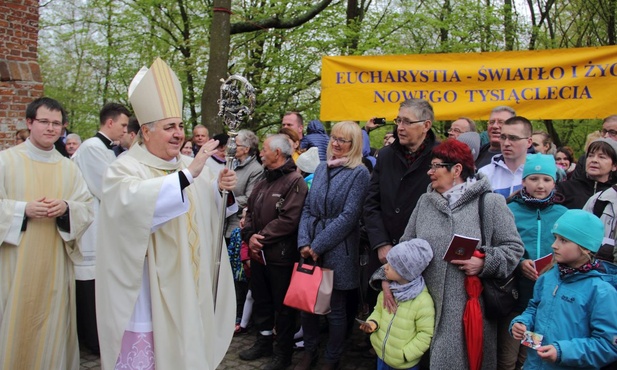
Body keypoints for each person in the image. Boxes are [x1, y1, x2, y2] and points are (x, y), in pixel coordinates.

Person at [96, 58, 238, 370]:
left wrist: (219, 191)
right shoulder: (124, 168)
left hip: (189, 284)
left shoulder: (186, 167)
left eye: (181, 126)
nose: (178, 134)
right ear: (145, 132)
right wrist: (190, 177)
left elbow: (206, 213)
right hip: (147, 288)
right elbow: (131, 208)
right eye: (169, 127)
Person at [396, 139, 524, 369]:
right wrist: (389, 277)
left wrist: (483, 262)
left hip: (470, 311)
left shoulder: (490, 202)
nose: (430, 172)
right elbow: (406, 244)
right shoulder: (425, 202)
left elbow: (513, 249)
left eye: (436, 166)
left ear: (456, 169)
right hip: (423, 308)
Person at [0, 97, 94, 369]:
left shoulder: (68, 167)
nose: (51, 129)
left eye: (56, 124)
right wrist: (21, 209)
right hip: (14, 264)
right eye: (44, 122)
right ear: (29, 123)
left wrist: (66, 207)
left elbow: (86, 208)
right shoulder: (6, 161)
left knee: (52, 323)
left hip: (54, 263)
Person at [295, 121, 370, 370]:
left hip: (338, 250)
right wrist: (304, 242)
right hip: (312, 247)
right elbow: (307, 208)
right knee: (309, 307)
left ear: (354, 145)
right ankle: (310, 352)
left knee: (335, 309)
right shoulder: (321, 167)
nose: (335, 144)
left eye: (342, 140)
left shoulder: (359, 173)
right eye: (334, 138)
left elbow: (349, 217)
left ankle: (332, 357)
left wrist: (318, 245)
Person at [510, 210, 617, 369]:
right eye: (555, 238)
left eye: (564, 240)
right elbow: (534, 307)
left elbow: (607, 344)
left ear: (585, 247)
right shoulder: (548, 277)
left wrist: (562, 351)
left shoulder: (601, 291)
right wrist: (521, 323)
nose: (554, 245)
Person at [239, 134, 308, 370]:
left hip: (280, 257)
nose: (260, 153)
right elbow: (249, 212)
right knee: (262, 302)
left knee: (283, 308)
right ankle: (264, 342)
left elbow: (289, 219)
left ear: (277, 153)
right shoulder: (263, 181)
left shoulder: (294, 182)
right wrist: (250, 236)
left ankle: (283, 353)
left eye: (265, 149)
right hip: (260, 255)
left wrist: (262, 238)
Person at [72, 102, 131, 355]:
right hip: (92, 224)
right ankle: (93, 340)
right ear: (110, 123)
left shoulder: (105, 148)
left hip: (102, 220)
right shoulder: (92, 148)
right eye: (123, 125)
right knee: (89, 284)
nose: (125, 130)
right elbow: (106, 187)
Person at [500, 154, 568, 369]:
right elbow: (499, 244)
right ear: (524, 182)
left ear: (554, 183)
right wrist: (520, 262)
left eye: (547, 179)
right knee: (507, 357)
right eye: (534, 179)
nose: (540, 185)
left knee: (528, 356)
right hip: (515, 295)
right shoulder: (510, 210)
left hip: (545, 299)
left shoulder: (563, 214)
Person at [364, 98, 439, 265]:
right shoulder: (385, 155)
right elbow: (371, 203)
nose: (400, 127)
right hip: (385, 255)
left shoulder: (441, 157)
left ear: (426, 126)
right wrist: (381, 243)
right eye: (399, 120)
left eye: (407, 122)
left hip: (424, 256)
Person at [359, 239, 435, 370]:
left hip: (404, 364)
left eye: (392, 265)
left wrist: (406, 354)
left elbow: (425, 334)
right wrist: (372, 323)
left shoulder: (422, 301)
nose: (385, 267)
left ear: (406, 272)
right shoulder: (388, 291)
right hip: (382, 356)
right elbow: (378, 311)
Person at [479, 116, 533, 198]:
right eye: (503, 137)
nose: (506, 143)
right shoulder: (485, 173)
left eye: (513, 138)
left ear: (529, 142)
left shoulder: (542, 172)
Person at [556, 138, 617, 209]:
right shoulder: (565, 188)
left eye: (601, 157)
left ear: (614, 166)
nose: (594, 160)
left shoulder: (614, 193)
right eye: (590, 155)